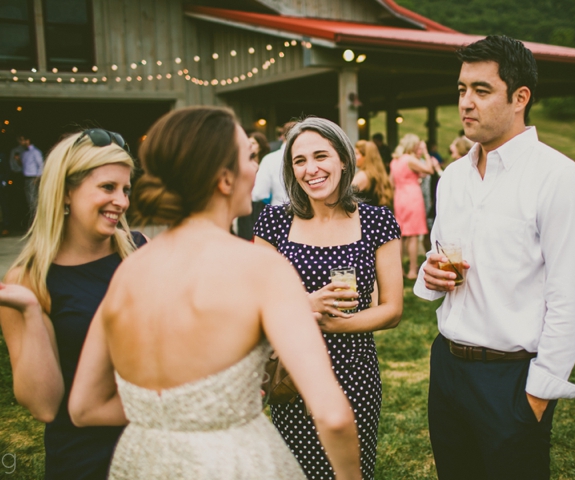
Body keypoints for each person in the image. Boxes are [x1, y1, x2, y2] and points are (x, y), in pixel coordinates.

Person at [67, 107, 361, 480]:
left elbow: (84, 407)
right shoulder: (262, 268)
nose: (256, 169)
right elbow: (333, 416)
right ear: (224, 179)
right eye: (250, 158)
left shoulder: (129, 270)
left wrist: (168, 415)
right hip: (234, 463)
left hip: (143, 463)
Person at [413, 35, 575, 479]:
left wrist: (537, 395)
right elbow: (436, 256)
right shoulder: (452, 178)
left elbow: (569, 298)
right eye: (461, 90)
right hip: (448, 369)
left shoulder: (561, 179)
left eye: (481, 90)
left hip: (512, 379)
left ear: (520, 98)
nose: (466, 103)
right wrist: (430, 273)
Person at [253, 117, 403, 479]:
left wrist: (332, 321)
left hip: (355, 372)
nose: (311, 169)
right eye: (299, 160)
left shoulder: (378, 221)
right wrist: (305, 306)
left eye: (321, 156)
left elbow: (392, 310)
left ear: (344, 160)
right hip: (293, 372)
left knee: (350, 471)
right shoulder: (273, 223)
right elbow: (255, 302)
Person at [0, 128, 143, 479]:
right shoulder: (29, 279)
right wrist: (31, 311)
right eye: (108, 188)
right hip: (85, 459)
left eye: (125, 189)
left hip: (153, 446)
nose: (122, 202)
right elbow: (44, 406)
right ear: (65, 192)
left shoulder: (137, 249)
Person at [390, 133, 439, 280]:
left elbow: (391, 182)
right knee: (413, 235)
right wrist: (425, 153)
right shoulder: (410, 160)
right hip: (412, 197)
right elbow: (429, 170)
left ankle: (399, 270)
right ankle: (412, 270)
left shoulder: (395, 160)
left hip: (399, 196)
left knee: (402, 235)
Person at [235, 131, 271, 240]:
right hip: (247, 201)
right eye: (248, 143)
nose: (250, 146)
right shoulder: (242, 162)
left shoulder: (267, 162)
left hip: (261, 204)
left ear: (261, 146)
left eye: (254, 143)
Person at [251, 121, 296, 206]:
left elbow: (259, 193)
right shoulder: (307, 157)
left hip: (279, 211)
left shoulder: (269, 159)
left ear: (282, 136)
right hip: (307, 212)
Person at [353, 139, 393, 208]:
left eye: (357, 154)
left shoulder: (363, 176)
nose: (354, 157)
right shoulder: (377, 174)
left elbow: (344, 195)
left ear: (366, 156)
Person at [20, 135, 44, 216]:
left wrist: (37, 178)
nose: (20, 142)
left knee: (33, 201)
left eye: (22, 140)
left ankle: (38, 220)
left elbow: (41, 165)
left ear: (28, 140)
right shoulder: (24, 153)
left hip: (33, 178)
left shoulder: (35, 152)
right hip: (26, 178)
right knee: (29, 201)